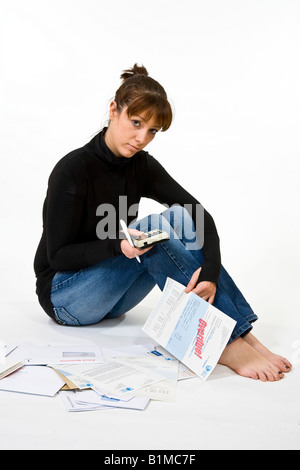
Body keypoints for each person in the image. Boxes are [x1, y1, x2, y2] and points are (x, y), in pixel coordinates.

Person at [34, 64, 292, 382]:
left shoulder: (141, 166)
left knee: (177, 219)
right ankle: (227, 341)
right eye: (136, 122)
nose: (142, 138)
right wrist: (118, 246)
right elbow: (57, 256)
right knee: (153, 238)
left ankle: (241, 333)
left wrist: (210, 270)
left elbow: (198, 214)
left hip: (114, 300)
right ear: (114, 110)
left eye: (153, 130)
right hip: (65, 297)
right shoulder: (72, 170)